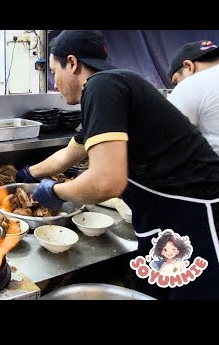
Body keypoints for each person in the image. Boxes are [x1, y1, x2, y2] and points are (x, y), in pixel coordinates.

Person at [15, 30, 219, 300]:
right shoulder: (115, 85)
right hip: (162, 217)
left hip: (195, 219)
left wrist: (54, 193)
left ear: (73, 63)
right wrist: (27, 174)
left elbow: (106, 181)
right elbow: (69, 155)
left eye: (54, 71)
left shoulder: (102, 86)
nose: (55, 83)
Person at [167, 40, 219, 155]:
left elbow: (164, 137)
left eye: (176, 82)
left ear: (189, 66)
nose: (176, 88)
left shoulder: (191, 83)